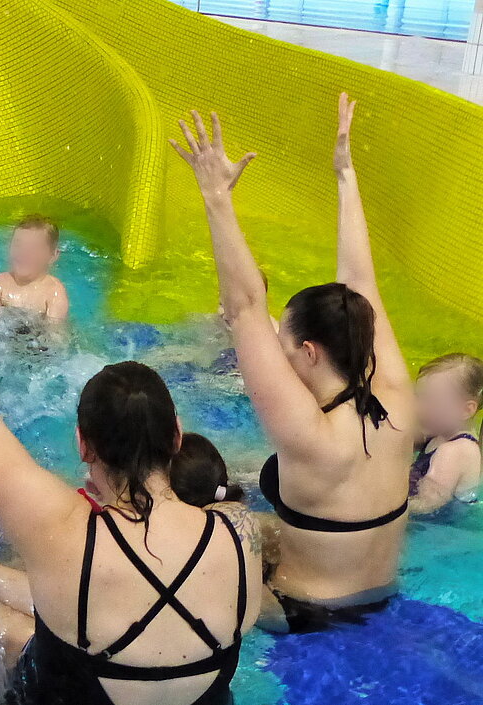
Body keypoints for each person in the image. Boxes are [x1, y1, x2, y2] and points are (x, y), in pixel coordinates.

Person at [0, 186, 259, 705]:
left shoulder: (63, 531)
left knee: (1, 620)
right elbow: (250, 308)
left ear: (84, 445)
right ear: (178, 438)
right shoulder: (238, 530)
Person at [171, 94, 415, 634]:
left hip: (299, 613)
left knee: (188, 525)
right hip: (381, 595)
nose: (275, 347)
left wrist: (216, 197)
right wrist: (345, 174)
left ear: (309, 351)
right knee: (246, 518)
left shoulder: (310, 436)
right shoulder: (397, 397)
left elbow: (242, 308)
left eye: (284, 339)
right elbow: (362, 285)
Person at [0, 431, 255, 678]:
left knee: (4, 621)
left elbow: (49, 603)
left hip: (104, 674)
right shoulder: (233, 538)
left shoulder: (112, 545)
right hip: (193, 681)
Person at [409, 353, 482, 513]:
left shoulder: (454, 451)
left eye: (432, 401)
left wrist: (379, 509)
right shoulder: (438, 435)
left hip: (443, 527)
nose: (419, 407)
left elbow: (427, 506)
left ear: (465, 410)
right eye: (419, 397)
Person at [0, 215, 69, 327]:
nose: (24, 253)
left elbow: (55, 336)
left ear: (53, 256)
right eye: (18, 245)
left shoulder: (53, 292)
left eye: (34, 247)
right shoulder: (0, 283)